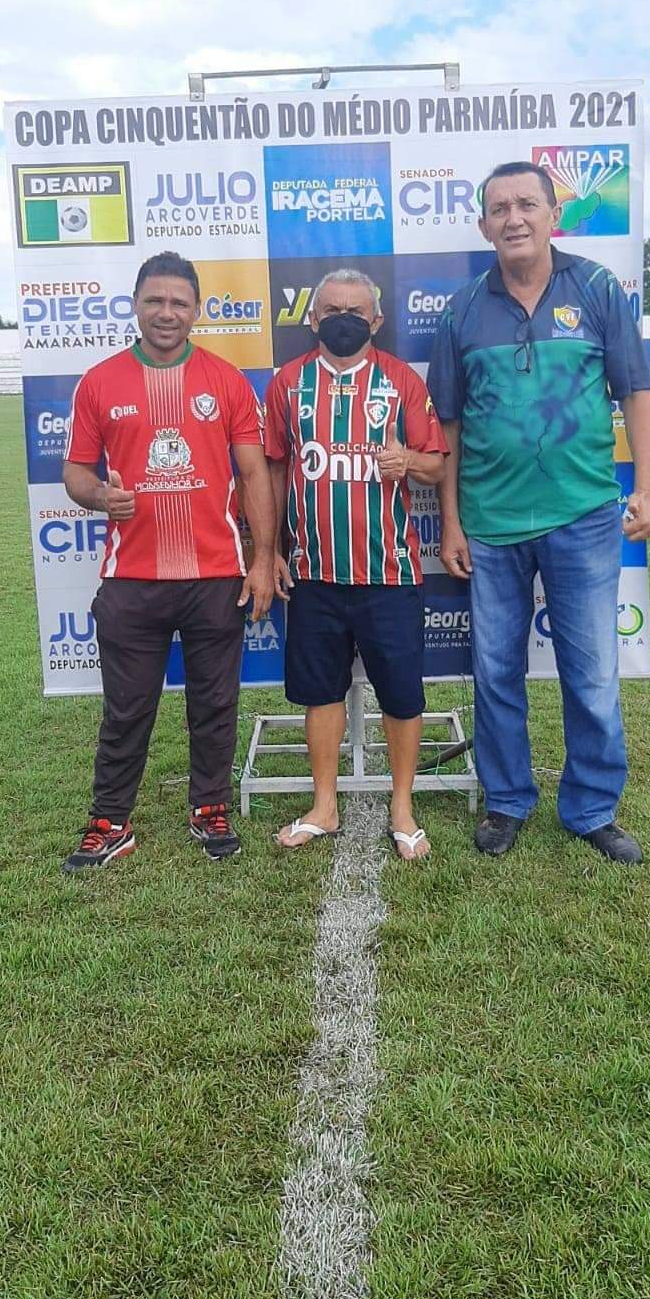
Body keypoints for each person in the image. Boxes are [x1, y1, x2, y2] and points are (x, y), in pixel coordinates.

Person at [427, 161, 650, 865]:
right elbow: (449, 428)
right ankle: (507, 801)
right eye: (499, 208)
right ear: (483, 225)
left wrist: (646, 488)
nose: (514, 218)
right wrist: (452, 521)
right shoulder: (463, 309)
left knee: (590, 673)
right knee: (495, 673)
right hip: (490, 524)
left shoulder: (594, 289)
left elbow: (638, 392)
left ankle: (591, 807)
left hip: (584, 515)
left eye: (527, 203)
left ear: (552, 213)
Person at [60, 251, 274, 870]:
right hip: (132, 578)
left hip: (214, 576)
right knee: (126, 708)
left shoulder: (227, 380)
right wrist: (99, 494)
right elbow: (75, 471)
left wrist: (262, 559)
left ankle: (209, 808)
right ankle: (110, 820)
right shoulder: (99, 381)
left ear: (198, 311)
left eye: (180, 303)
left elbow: (254, 471)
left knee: (214, 703)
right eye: (155, 300)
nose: (166, 313)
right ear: (134, 305)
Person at [264, 270, 447, 861]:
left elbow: (438, 466)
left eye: (357, 310)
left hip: (390, 573)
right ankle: (325, 804)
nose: (344, 317)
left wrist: (408, 461)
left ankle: (402, 806)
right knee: (321, 694)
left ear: (377, 320)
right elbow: (271, 469)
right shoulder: (287, 384)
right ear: (313, 318)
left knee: (402, 695)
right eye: (332, 309)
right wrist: (266, 550)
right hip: (314, 572)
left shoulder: (400, 381)